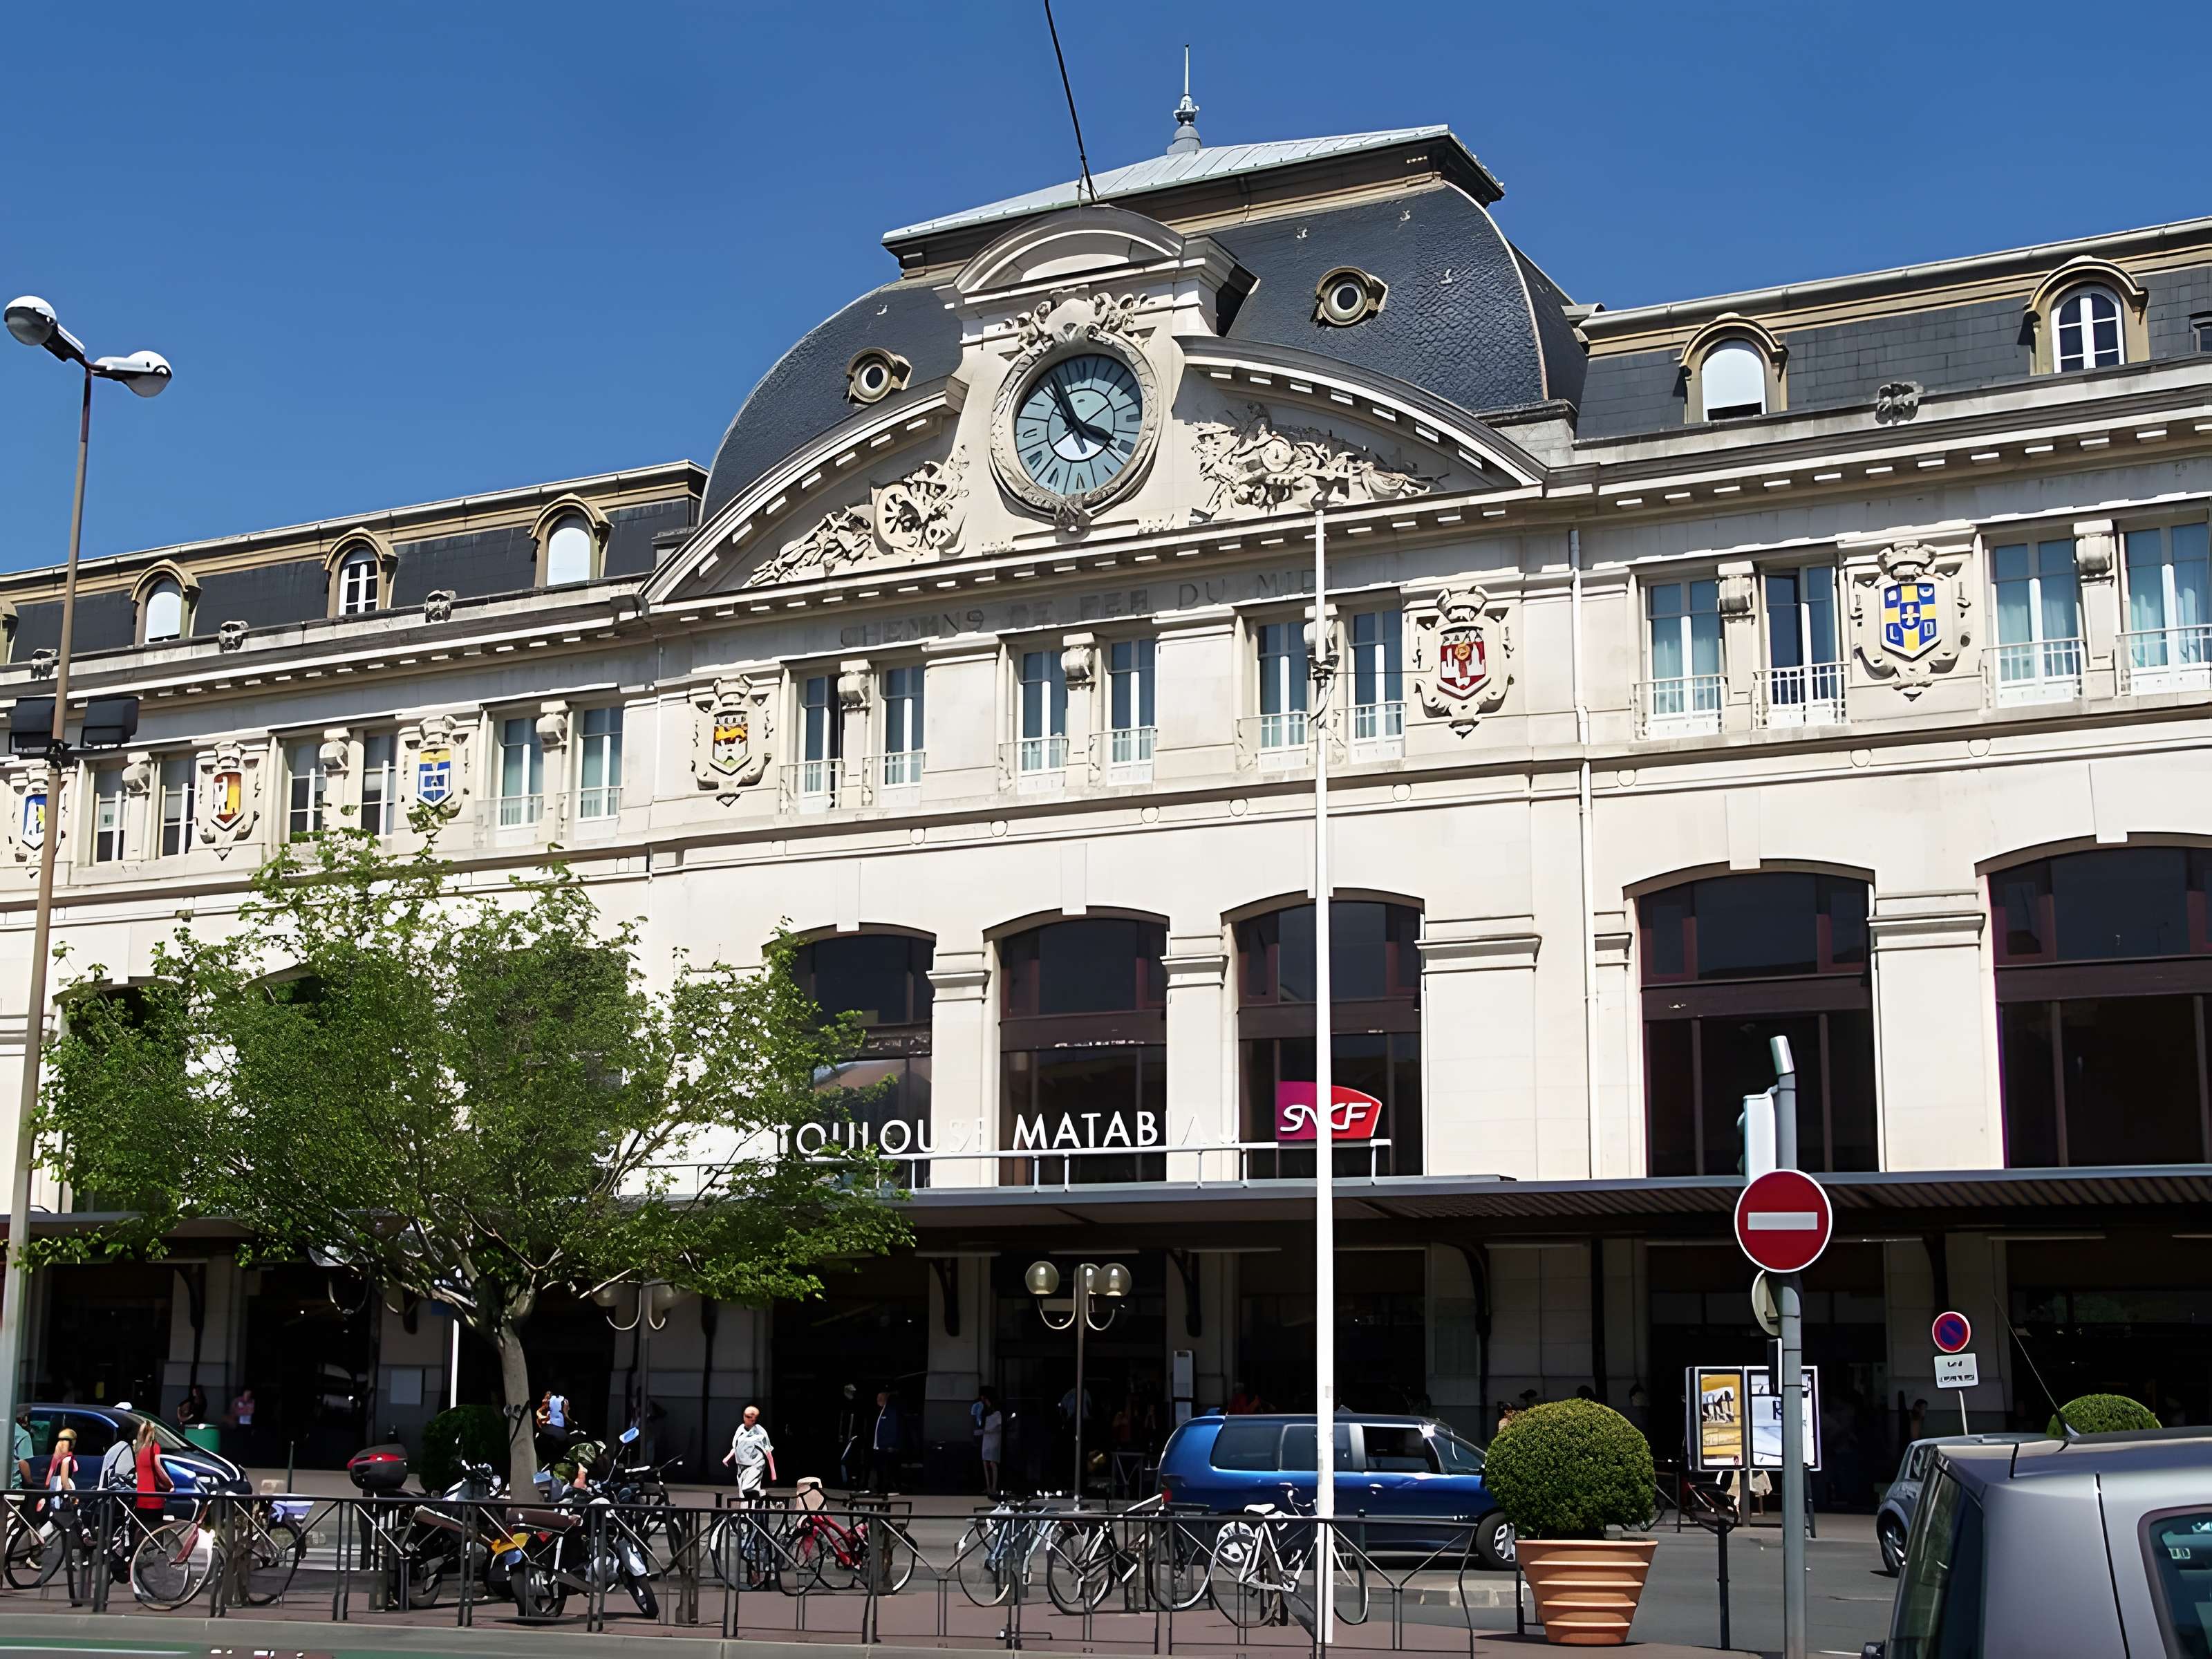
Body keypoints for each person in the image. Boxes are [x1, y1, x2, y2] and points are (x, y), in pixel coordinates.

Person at [722, 1404, 776, 1502]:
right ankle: (746, 1514)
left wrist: (773, 1473)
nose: (750, 1419)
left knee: (748, 1488)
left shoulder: (760, 1431)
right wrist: (728, 1458)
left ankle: (762, 1495)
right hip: (741, 1467)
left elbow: (768, 1452)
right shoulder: (740, 1429)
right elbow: (735, 1447)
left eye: (752, 1417)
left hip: (755, 1464)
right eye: (747, 1416)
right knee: (743, 1496)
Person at [132, 1421, 172, 1521]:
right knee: (155, 1529)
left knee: (140, 1529)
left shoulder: (137, 1449)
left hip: (140, 1498)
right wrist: (170, 1484)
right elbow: (158, 1469)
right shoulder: (155, 1448)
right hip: (155, 1497)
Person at [869, 1388, 902, 1494]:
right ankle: (877, 1489)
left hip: (885, 1447)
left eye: (881, 1398)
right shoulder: (879, 1411)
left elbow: (893, 1429)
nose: (878, 1400)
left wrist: (890, 1444)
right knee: (878, 1470)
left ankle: (885, 1490)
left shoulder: (890, 1412)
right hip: (877, 1447)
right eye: (878, 1398)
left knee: (885, 1470)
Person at [978, 1390, 1004, 1499]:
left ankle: (993, 1487)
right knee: (985, 1462)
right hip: (987, 1439)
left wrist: (989, 1431)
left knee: (992, 1462)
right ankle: (989, 1486)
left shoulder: (997, 1414)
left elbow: (999, 1427)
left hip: (993, 1439)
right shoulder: (987, 1413)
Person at [12, 1409, 32, 1490]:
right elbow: (24, 1463)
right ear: (23, 1418)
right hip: (13, 1489)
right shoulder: (23, 1435)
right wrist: (31, 1484)